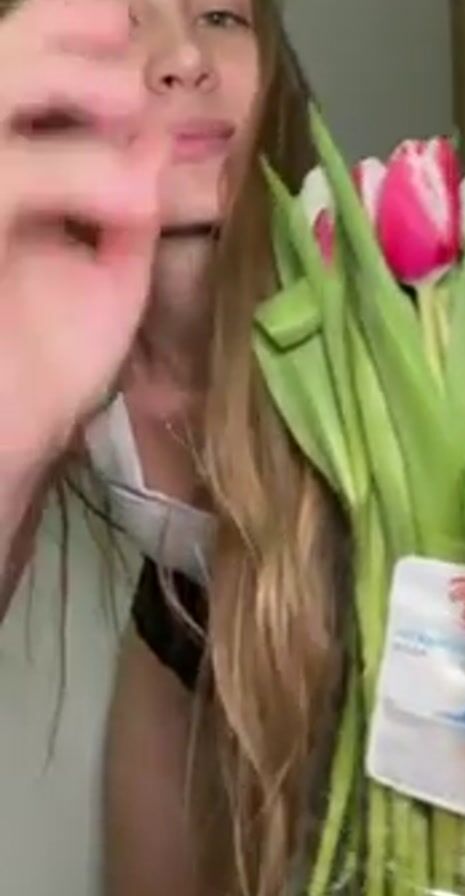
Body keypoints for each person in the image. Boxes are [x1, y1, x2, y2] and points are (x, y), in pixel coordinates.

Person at [0, 1, 347, 895]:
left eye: (223, 15)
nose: (185, 57)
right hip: (191, 621)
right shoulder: (47, 351)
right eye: (128, 22)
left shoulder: (385, 336)